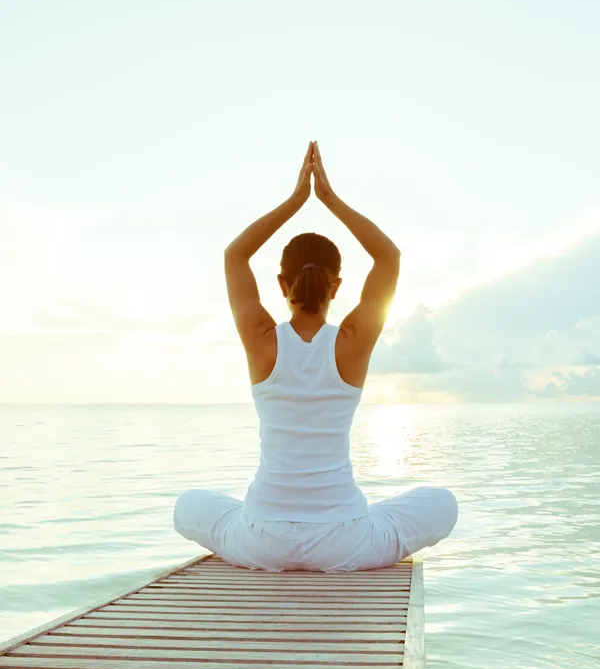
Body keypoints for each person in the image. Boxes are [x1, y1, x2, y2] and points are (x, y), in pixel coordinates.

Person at [174, 140, 458, 571]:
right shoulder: (352, 341)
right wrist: (328, 198)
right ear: (336, 286)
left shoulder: (262, 339)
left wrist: (296, 200)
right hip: (344, 541)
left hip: (263, 538)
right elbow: (388, 256)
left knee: (187, 505)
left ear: (282, 284)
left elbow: (235, 255)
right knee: (442, 502)